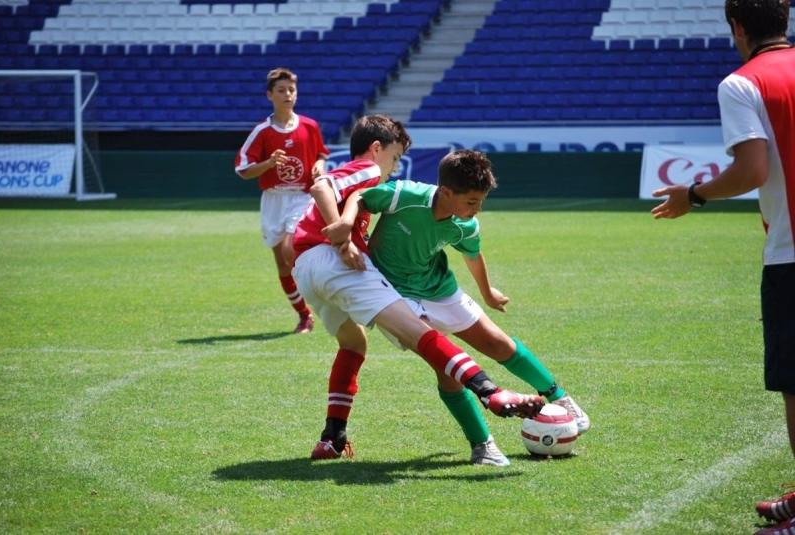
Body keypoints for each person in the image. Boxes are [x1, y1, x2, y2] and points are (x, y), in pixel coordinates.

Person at [291, 115, 544, 460]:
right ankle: (490, 392)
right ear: (377, 149)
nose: (393, 168)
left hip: (305, 268)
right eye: (394, 158)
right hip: (330, 260)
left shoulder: (367, 179)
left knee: (353, 342)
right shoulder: (366, 168)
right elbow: (321, 187)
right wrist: (341, 235)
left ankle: (332, 437)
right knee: (416, 330)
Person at [324, 150, 589, 466]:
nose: (477, 209)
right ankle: (483, 444)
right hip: (394, 294)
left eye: (481, 201)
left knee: (499, 344)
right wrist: (344, 224)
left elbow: (473, 256)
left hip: (439, 288)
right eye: (472, 202)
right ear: (446, 192)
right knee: (446, 368)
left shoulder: (465, 225)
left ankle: (560, 398)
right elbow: (361, 196)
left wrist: (488, 293)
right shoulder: (404, 195)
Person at [651, 2, 793, 532]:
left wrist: (696, 194)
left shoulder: (741, 83)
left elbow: (751, 169)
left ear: (736, 27)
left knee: (794, 380)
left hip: (791, 252)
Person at [234, 67, 329, 334]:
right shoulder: (262, 131)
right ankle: (304, 315)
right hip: (274, 201)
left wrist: (320, 165)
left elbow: (321, 153)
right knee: (282, 263)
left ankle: (325, 291)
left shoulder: (309, 126)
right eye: (281, 90)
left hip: (301, 198)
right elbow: (243, 170)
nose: (288, 94)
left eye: (291, 90)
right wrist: (269, 163)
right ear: (269, 95)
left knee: (290, 250)